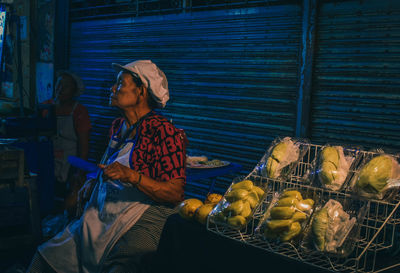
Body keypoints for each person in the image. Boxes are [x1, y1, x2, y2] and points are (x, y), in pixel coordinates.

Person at [27, 60, 187, 273]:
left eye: (120, 83)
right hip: (103, 213)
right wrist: (93, 181)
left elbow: (175, 192)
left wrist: (133, 176)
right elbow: (108, 164)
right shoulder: (118, 126)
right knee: (45, 258)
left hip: (135, 217)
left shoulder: (164, 132)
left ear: (141, 91)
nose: (112, 88)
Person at [43, 71, 91, 215]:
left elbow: (84, 145)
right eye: (58, 85)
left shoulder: (79, 111)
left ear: (75, 91)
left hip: (70, 161)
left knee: (65, 198)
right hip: (47, 159)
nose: (60, 89)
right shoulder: (46, 108)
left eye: (66, 86)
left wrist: (80, 172)